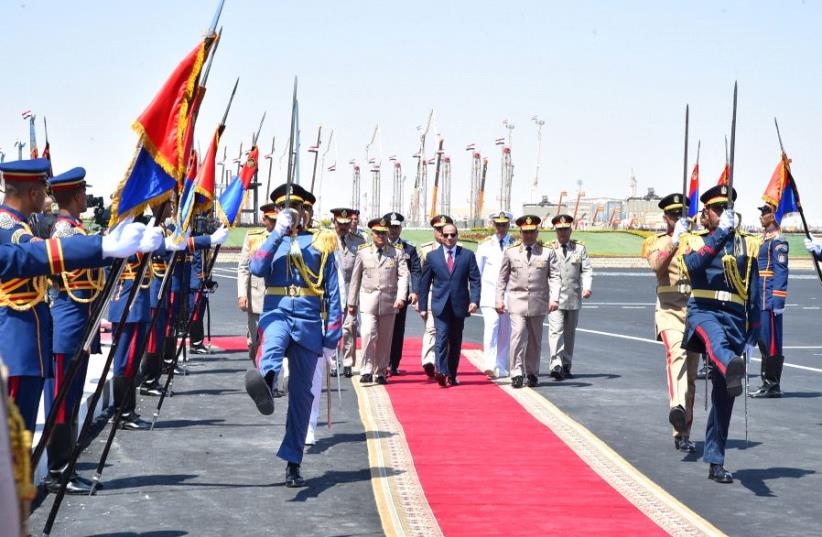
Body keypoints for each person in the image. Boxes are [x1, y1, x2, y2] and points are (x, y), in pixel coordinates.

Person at [0, 159, 154, 435]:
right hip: (18, 340)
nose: (46, 196)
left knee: (24, 437)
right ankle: (56, 468)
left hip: (34, 338)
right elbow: (35, 252)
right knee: (17, 434)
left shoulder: (22, 224)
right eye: (42, 189)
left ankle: (54, 466)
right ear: (33, 193)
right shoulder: (7, 226)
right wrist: (103, 246)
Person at [245, 182, 342, 487]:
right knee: (271, 347)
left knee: (302, 397)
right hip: (277, 311)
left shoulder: (322, 241)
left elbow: (334, 293)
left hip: (310, 320)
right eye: (286, 209)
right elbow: (258, 268)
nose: (293, 213)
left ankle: (293, 461)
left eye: (297, 208)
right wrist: (277, 234)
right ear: (277, 212)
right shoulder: (265, 241)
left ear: (305, 211)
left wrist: (332, 339)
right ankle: (268, 382)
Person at [678, 184, 760, 484]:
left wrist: (756, 328)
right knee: (717, 345)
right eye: (716, 209)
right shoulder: (693, 239)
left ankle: (716, 460)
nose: (723, 214)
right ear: (706, 213)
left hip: (735, 317)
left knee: (725, 396)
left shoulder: (747, 244)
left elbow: (754, 286)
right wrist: (720, 234)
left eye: (727, 209)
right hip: (704, 310)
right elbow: (693, 265)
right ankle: (729, 364)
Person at [43, 167, 104, 494]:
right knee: (61, 400)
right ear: (76, 195)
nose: (86, 197)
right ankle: (57, 471)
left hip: (79, 321)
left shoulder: (76, 229)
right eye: (83, 192)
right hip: (67, 321)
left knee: (72, 395)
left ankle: (66, 466)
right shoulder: (66, 232)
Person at [644, 193, 699, 453]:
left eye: (681, 215)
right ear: (665, 217)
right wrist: (674, 242)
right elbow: (657, 266)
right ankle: (676, 409)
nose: (677, 219)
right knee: (676, 355)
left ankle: (684, 431)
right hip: (668, 311)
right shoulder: (657, 242)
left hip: (694, 311)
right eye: (673, 215)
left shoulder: (697, 241)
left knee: (690, 378)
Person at [496, 215, 560, 388]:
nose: (529, 236)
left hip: (538, 302)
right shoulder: (511, 252)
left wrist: (554, 298)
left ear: (537, 232)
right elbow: (502, 278)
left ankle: (531, 372)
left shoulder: (547, 252)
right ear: (520, 232)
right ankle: (516, 372)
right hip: (517, 301)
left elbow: (554, 276)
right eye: (525, 232)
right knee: (517, 335)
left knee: (535, 340)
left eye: (532, 232)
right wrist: (499, 299)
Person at [347, 217, 409, 384]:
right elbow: (355, 278)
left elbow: (403, 276)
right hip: (368, 301)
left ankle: (380, 371)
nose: (381, 235)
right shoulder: (363, 251)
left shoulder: (396, 252)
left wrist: (401, 297)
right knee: (367, 333)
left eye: (383, 232)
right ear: (371, 233)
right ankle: (366, 369)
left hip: (389, 301)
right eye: (377, 233)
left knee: (385, 338)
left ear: (388, 233)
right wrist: (351, 302)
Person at [418, 223, 481, 387]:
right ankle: (441, 371)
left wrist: (474, 301)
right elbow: (424, 285)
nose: (449, 238)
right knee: (441, 337)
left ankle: (452, 374)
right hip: (440, 305)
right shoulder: (432, 257)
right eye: (446, 235)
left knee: (455, 341)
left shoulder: (467, 255)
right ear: (441, 236)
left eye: (452, 235)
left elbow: (475, 280)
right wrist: (423, 307)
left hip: (459, 305)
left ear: (457, 236)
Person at [750, 202, 789, 398]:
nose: (761, 215)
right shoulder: (764, 240)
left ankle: (773, 384)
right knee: (763, 341)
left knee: (772, 341)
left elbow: (781, 272)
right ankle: (766, 381)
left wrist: (779, 301)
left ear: (773, 216)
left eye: (765, 212)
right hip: (761, 296)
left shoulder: (778, 242)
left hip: (770, 297)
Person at [547, 214, 593, 380]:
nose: (562, 233)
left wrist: (587, 288)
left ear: (570, 230)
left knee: (569, 334)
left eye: (565, 229)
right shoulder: (550, 248)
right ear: (555, 231)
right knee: (555, 331)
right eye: (559, 230)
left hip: (573, 297)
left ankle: (566, 365)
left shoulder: (579, 249)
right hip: (555, 298)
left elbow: (586, 270)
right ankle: (556, 364)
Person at [476, 211, 514, 378]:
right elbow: (477, 272)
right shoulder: (484, 246)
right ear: (493, 225)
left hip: (509, 295)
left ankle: (500, 364)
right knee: (492, 326)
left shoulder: (515, 244)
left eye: (504, 224)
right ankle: (489, 364)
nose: (501, 228)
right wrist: (475, 296)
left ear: (509, 225)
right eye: (498, 224)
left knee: (505, 332)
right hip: (489, 294)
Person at [329, 207, 365, 378]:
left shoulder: (358, 241)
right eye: (339, 224)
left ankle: (348, 362)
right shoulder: (326, 240)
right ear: (333, 222)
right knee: (332, 328)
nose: (343, 227)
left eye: (346, 223)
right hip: (332, 290)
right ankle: (333, 362)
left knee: (350, 327)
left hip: (352, 289)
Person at [238, 203, 276, 364]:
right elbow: (243, 267)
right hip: (256, 296)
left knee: (274, 342)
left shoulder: (286, 237)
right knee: (254, 341)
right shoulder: (253, 236)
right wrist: (242, 295)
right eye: (271, 220)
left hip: (276, 297)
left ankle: (269, 379)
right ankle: (256, 365)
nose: (274, 224)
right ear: (264, 219)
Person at [383, 212, 420, 376]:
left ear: (401, 228)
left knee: (397, 330)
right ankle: (382, 362)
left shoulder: (409, 248)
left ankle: (394, 363)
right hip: (382, 294)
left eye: (396, 227)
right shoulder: (379, 246)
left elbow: (416, 271)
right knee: (382, 330)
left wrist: (415, 291)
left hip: (401, 295)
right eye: (390, 227)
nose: (393, 230)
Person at [417, 214, 450, 377]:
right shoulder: (425, 249)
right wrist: (419, 299)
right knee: (431, 328)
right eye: (438, 229)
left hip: (449, 295)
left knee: (446, 331)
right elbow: (421, 278)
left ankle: (443, 362)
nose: (441, 233)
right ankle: (429, 361)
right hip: (431, 293)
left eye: (445, 229)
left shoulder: (457, 249)